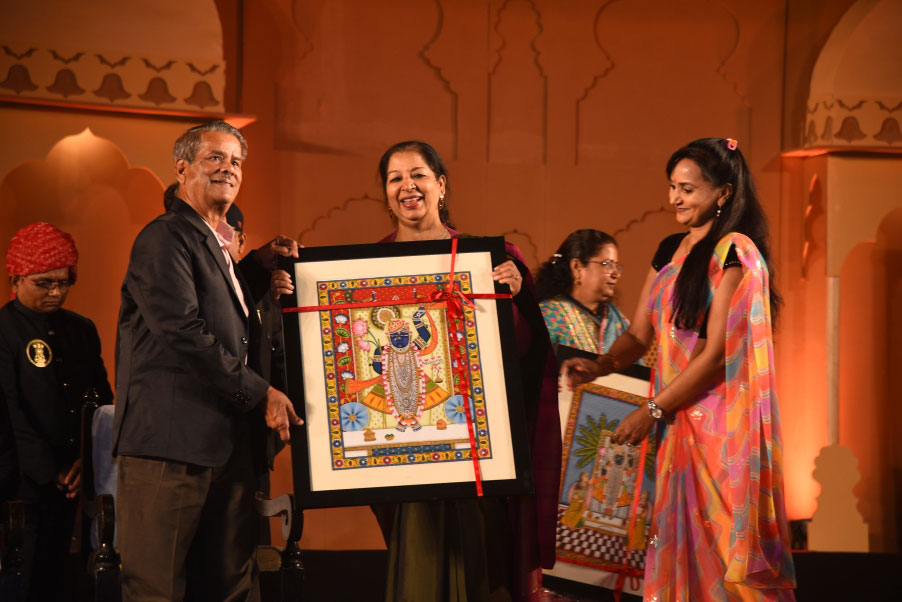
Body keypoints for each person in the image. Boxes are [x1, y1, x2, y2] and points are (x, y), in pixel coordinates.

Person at [271, 140, 562, 601]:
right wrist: (291, 291)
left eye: (418, 174)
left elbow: (524, 355)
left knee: (477, 566)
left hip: (473, 451)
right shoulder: (362, 270)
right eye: (395, 178)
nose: (407, 186)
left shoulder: (487, 258)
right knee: (418, 564)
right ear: (386, 195)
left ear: (441, 185)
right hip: (401, 457)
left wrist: (514, 295)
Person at [563, 137, 796, 601]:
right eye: (672, 187)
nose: (674, 199)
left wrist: (651, 410)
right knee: (680, 549)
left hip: (721, 430)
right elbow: (638, 336)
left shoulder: (735, 252)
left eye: (687, 190)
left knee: (725, 549)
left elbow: (716, 354)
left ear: (723, 192)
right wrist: (600, 365)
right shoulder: (670, 248)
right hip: (677, 420)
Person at [113, 120, 303, 602]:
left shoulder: (214, 246)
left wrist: (256, 267)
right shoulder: (164, 238)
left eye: (236, 161)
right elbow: (184, 331)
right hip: (170, 450)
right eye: (214, 157)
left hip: (225, 449)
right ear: (182, 168)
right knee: (156, 589)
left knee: (229, 588)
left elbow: (224, 314)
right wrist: (261, 392)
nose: (228, 168)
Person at [0, 222, 114, 601]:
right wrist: (52, 472)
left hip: (78, 480)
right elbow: (9, 412)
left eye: (64, 283)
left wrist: (86, 457)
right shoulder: (4, 329)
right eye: (44, 283)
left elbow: (102, 402)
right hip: (21, 482)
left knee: (66, 581)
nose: (56, 292)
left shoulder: (81, 329)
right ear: (16, 279)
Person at [535, 229, 629, 356]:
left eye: (617, 266)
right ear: (577, 267)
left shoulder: (616, 321)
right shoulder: (548, 315)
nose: (616, 274)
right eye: (607, 264)